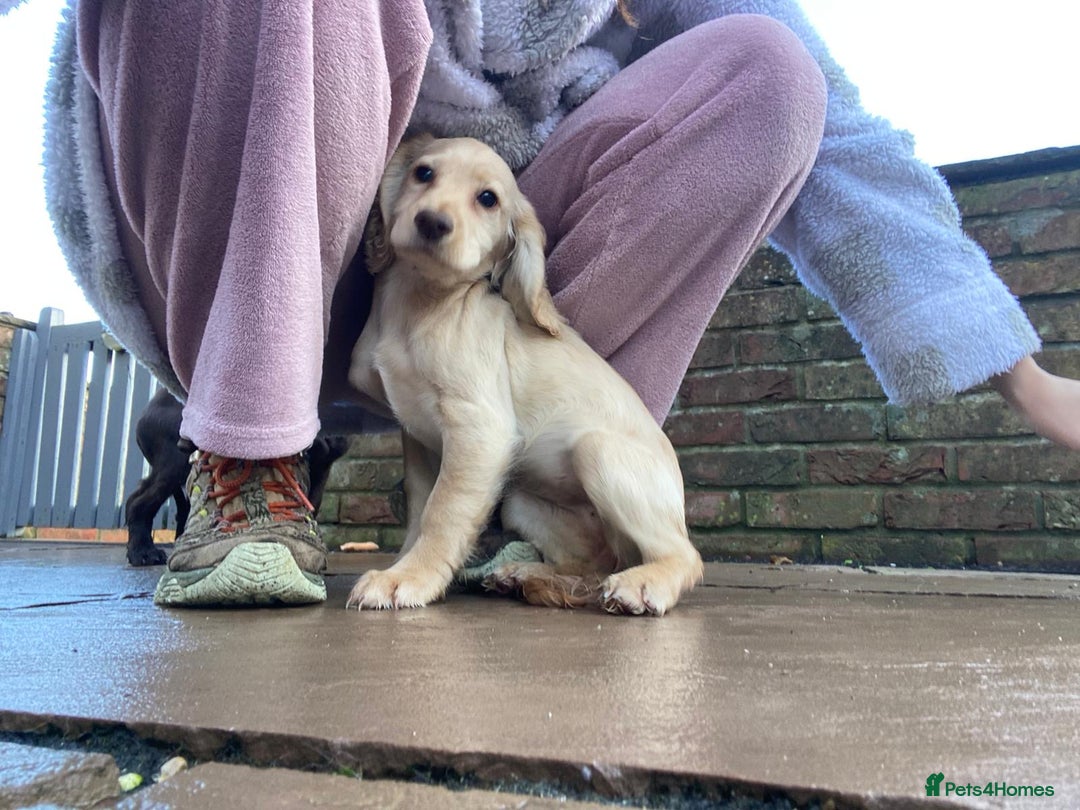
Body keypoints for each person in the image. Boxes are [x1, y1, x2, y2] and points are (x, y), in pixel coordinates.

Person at [30, 0, 1080, 606]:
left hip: (481, 314)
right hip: (247, 231)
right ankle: (251, 452)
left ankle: (555, 511)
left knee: (771, 72)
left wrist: (1027, 383)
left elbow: (841, 140)